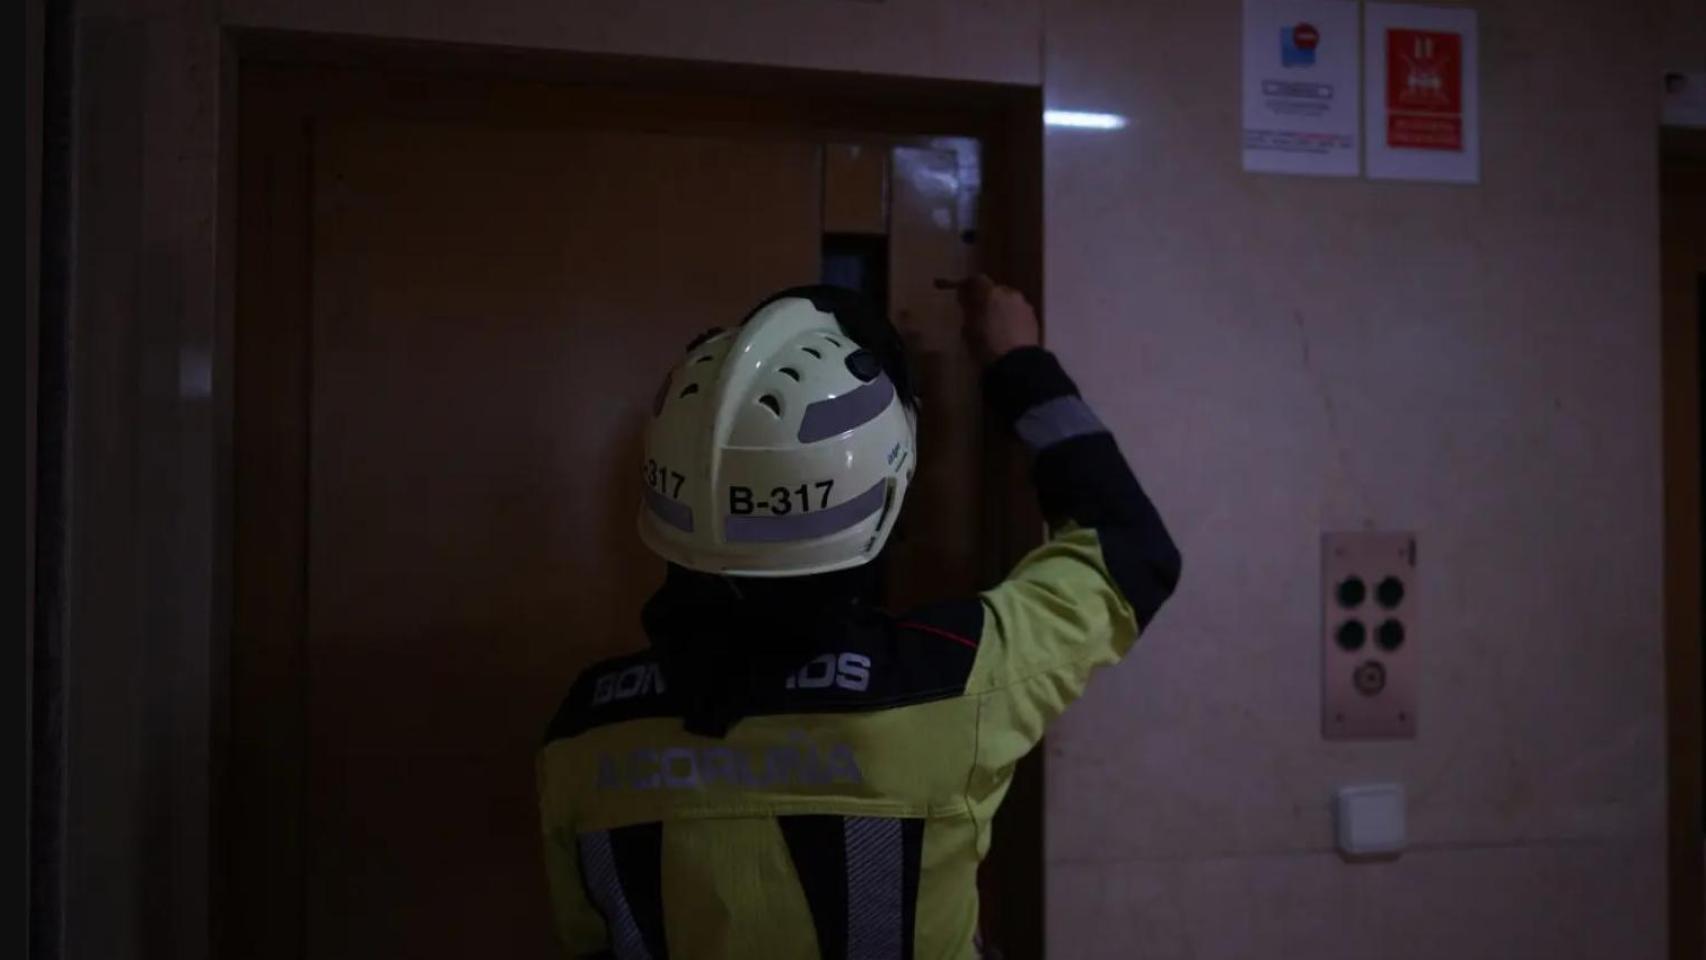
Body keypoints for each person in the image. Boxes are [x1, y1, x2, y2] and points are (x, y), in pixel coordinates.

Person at [537, 278, 1181, 959]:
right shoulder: (956, 682)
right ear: (889, 494)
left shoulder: (582, 735)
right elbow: (1131, 549)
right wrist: (1021, 363)